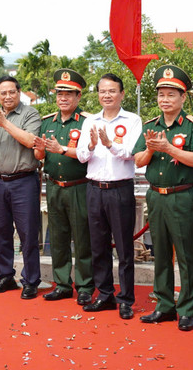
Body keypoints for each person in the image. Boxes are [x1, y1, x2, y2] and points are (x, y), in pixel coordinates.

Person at [133, 65, 193, 332]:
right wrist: (153, 151)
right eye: (161, 95)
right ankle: (164, 305)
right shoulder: (149, 126)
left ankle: (187, 309)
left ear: (183, 97)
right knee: (160, 253)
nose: (165, 100)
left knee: (186, 255)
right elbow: (138, 160)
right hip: (156, 196)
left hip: (181, 195)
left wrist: (169, 148)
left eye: (171, 95)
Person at [76, 73, 142, 319]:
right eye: (103, 91)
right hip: (94, 189)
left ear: (122, 94)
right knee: (98, 246)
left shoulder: (133, 120)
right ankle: (105, 294)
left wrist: (109, 143)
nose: (107, 95)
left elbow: (131, 153)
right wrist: (93, 145)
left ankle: (126, 299)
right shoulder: (89, 121)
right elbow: (82, 156)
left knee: (124, 248)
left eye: (112, 91)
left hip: (120, 190)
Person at [0, 76, 42, 299]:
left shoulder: (29, 114)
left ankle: (31, 280)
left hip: (24, 181)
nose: (7, 96)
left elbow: (31, 140)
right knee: (0, 232)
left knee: (28, 233)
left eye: (11, 92)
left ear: (19, 92)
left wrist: (5, 123)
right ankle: (4, 276)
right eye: (3, 93)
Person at [32, 69, 93, 305]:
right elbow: (39, 155)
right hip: (54, 186)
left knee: (83, 238)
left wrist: (61, 149)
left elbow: (89, 153)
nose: (63, 99)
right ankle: (63, 284)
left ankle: (86, 286)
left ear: (78, 97)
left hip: (80, 186)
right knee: (57, 238)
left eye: (69, 94)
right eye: (59, 94)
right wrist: (38, 150)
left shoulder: (87, 122)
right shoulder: (47, 122)